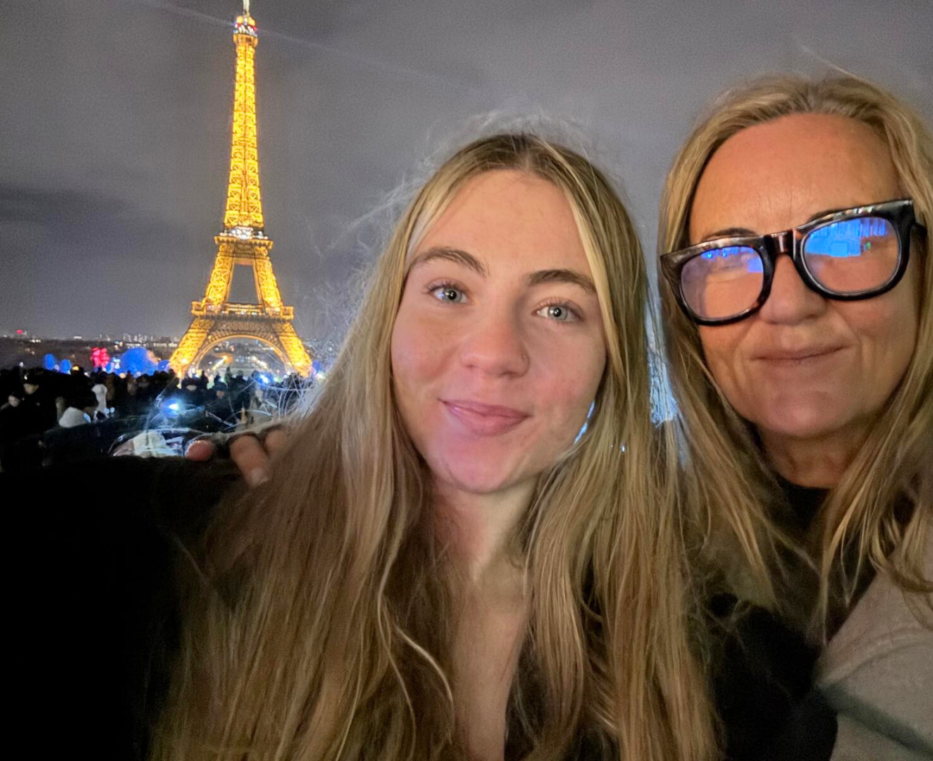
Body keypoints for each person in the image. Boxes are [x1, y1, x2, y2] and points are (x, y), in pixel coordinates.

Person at [151, 133, 718, 760]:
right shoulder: (176, 552)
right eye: (450, 292)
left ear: (612, 360)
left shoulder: (693, 633)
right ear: (388, 318)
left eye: (558, 310)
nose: (494, 354)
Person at [657, 74, 933, 760]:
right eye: (729, 255)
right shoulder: (624, 538)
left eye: (847, 240)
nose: (787, 305)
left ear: (931, 269)